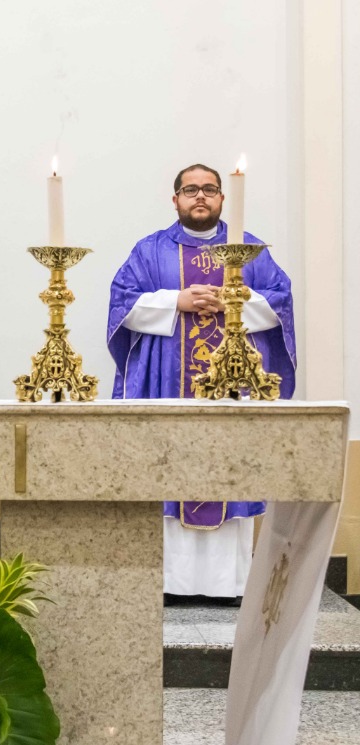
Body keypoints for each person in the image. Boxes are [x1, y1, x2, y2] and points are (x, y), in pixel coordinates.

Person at [108, 163, 296, 603]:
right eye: (190, 190)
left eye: (209, 189)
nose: (200, 197)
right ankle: (171, 583)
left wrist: (235, 301)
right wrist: (178, 300)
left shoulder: (249, 250)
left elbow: (281, 301)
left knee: (230, 468)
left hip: (236, 385)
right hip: (169, 384)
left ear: (222, 199)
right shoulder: (150, 251)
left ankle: (229, 585)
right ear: (174, 199)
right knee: (171, 468)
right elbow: (122, 304)